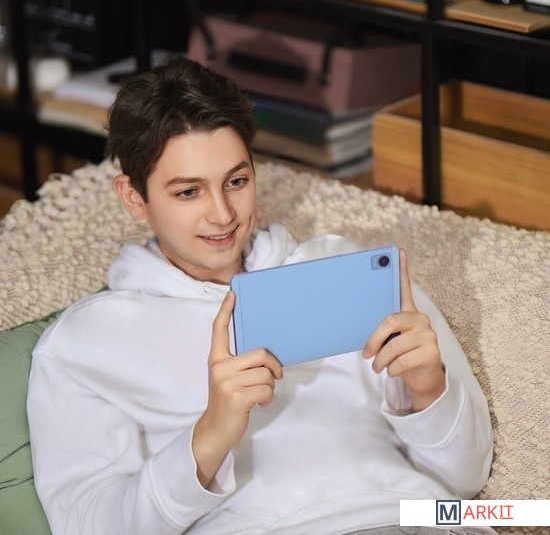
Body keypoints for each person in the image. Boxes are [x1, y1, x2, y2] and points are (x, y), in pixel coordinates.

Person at [27, 56, 493, 535]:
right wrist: (209, 436)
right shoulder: (84, 344)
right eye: (188, 192)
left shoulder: (348, 268)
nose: (222, 214)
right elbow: (89, 524)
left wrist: (429, 390)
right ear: (133, 197)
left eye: (236, 181)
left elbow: (465, 481)